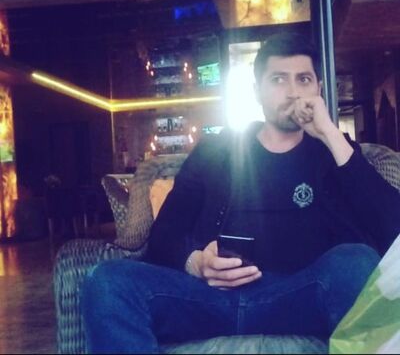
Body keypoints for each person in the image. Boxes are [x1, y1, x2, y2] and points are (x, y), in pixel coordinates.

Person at [81, 33, 400, 353]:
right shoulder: (215, 151)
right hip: (208, 298)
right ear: (257, 90)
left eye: (303, 79)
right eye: (278, 79)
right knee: (107, 280)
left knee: (355, 261)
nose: (292, 92)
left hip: (301, 297)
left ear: (318, 88)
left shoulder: (334, 154)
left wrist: (330, 134)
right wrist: (196, 262)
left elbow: (392, 229)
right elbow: (165, 233)